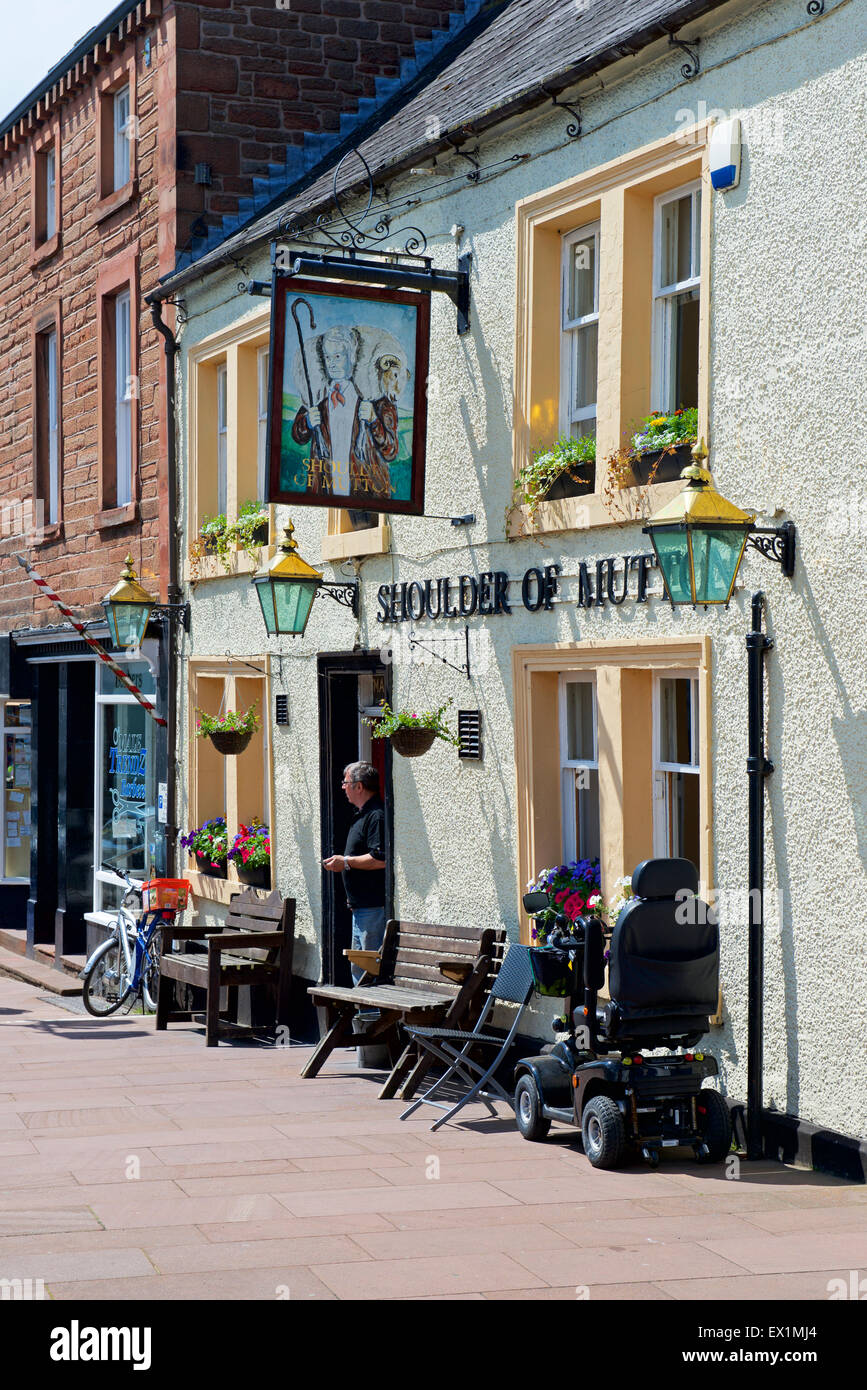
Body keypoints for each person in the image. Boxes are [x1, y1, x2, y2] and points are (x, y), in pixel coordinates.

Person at [291, 326, 398, 499]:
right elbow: (297, 435)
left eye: (338, 356)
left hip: (366, 494)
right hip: (325, 492)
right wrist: (307, 422)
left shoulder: (376, 401)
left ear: (352, 358)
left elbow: (391, 450)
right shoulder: (317, 399)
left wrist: (373, 421)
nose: (332, 363)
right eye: (327, 357)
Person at [323, 761, 387, 985]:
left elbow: (380, 859)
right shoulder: (361, 814)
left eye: (346, 782)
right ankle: (364, 1018)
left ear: (359, 786)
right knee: (359, 969)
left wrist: (346, 862)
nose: (342, 787)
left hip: (372, 909)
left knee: (369, 971)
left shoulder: (376, 816)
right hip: (360, 908)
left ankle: (370, 1018)